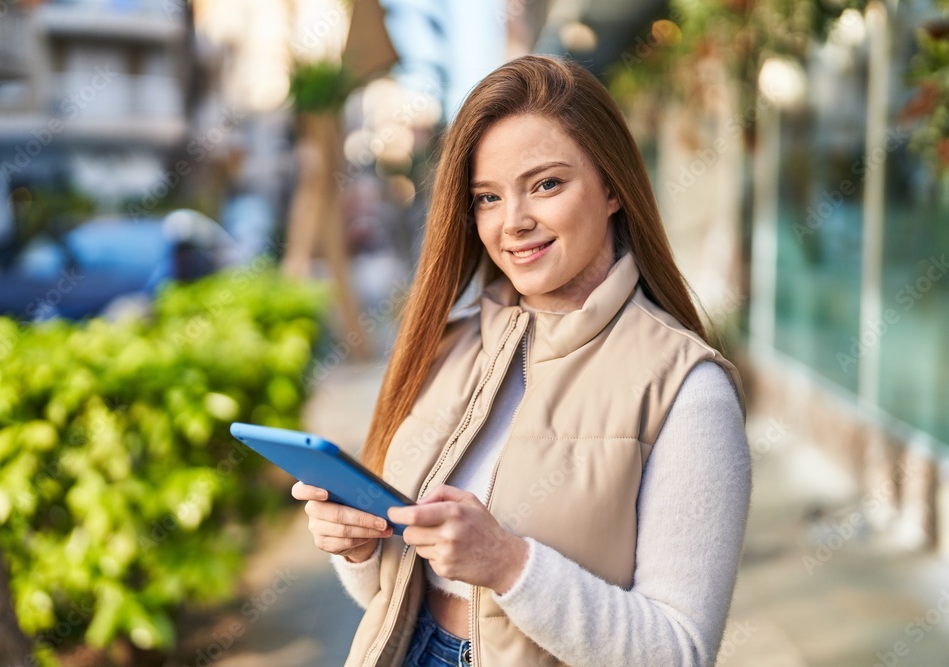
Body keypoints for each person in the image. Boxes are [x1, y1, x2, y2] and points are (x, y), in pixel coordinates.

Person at [291, 54, 751, 667]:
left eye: (546, 185)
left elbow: (677, 652)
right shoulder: (451, 346)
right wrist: (361, 549)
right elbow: (393, 592)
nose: (514, 223)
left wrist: (510, 565)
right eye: (487, 197)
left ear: (613, 187)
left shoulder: (689, 390)